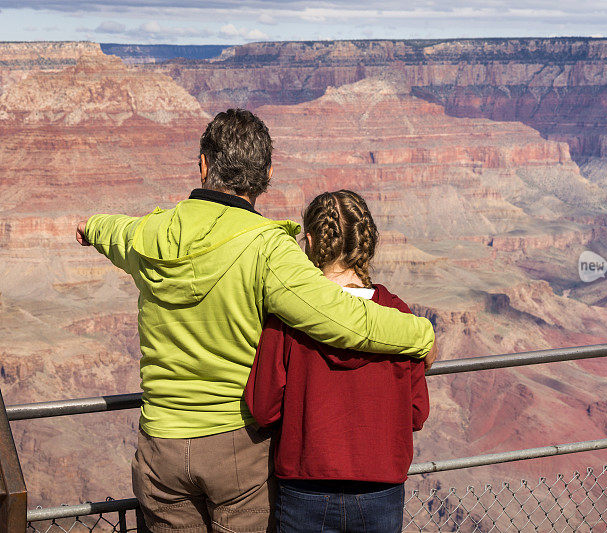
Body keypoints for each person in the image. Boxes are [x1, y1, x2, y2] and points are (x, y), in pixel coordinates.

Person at [74, 109, 437, 533]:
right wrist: (421, 333)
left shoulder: (146, 235)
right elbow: (343, 318)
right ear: (265, 174)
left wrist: (89, 227)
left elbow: (113, 230)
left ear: (204, 165)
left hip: (161, 449)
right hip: (235, 452)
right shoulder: (268, 249)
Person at [244, 190, 429, 533]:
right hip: (380, 491)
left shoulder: (288, 317)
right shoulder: (399, 317)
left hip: (305, 491)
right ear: (368, 243)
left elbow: (263, 407)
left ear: (310, 243)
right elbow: (416, 414)